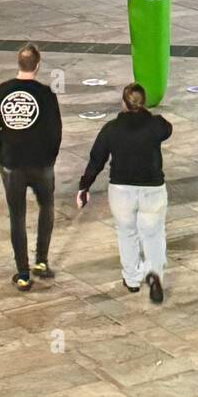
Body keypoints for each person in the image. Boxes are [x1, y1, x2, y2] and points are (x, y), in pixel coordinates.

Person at [76, 83, 172, 303]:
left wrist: (85, 186)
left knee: (126, 232)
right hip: (152, 188)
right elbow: (168, 129)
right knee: (153, 233)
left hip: (121, 190)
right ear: (144, 102)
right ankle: (154, 274)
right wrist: (146, 114)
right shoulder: (155, 125)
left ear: (123, 103)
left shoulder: (111, 129)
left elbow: (96, 159)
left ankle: (131, 279)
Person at [0, 44, 62, 291]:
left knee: (17, 217)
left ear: (19, 63)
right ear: (38, 66)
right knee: (47, 207)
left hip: (12, 165)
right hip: (41, 164)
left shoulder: (1, 91)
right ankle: (41, 261)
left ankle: (22, 273)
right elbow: (56, 132)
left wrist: (2, 155)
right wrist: (49, 159)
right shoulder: (46, 94)